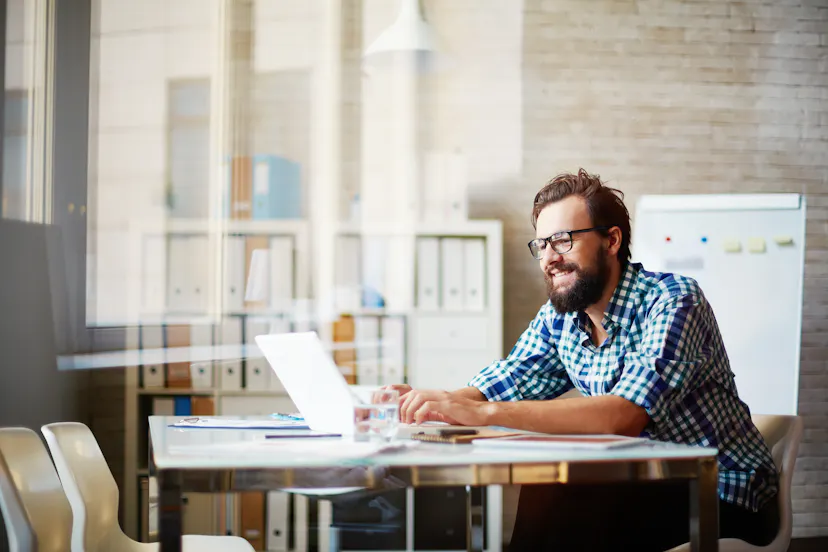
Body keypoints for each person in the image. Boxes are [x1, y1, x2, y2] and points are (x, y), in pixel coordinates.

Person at [387, 169, 779, 551]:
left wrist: (485, 413)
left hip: (724, 492)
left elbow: (624, 416)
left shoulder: (674, 300)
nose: (548, 259)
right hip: (641, 483)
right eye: (541, 245)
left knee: (570, 498)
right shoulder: (560, 318)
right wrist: (435, 405)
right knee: (553, 491)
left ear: (611, 240)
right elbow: (506, 379)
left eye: (562, 241)